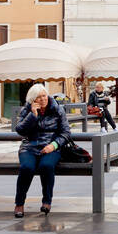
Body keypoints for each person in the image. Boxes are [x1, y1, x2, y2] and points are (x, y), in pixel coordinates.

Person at [14, 83, 73, 217]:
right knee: (26, 168)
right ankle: (19, 204)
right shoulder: (27, 110)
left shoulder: (57, 109)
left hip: (51, 147)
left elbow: (66, 132)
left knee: (46, 166)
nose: (43, 99)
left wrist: (54, 145)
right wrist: (32, 115)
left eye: (44, 95)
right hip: (29, 147)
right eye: (39, 97)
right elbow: (20, 130)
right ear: (33, 100)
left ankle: (46, 201)